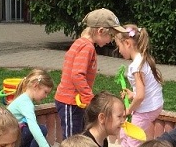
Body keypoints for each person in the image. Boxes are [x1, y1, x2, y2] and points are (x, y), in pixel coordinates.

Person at [54, 8, 126, 139]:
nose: (110, 40)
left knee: (77, 140)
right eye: (111, 35)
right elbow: (77, 75)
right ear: (100, 31)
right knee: (71, 143)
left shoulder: (82, 44)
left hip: (75, 101)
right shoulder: (87, 47)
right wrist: (89, 99)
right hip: (70, 102)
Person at [115, 23, 164, 147]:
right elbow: (143, 89)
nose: (119, 51)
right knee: (125, 133)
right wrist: (132, 94)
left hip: (145, 109)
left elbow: (141, 96)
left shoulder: (136, 66)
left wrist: (129, 109)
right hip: (153, 105)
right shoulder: (142, 58)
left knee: (132, 142)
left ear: (128, 43)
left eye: (119, 46)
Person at [7, 68, 55, 147]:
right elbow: (33, 126)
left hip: (12, 136)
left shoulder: (24, 99)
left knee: (42, 146)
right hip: (10, 137)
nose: (46, 96)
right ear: (35, 86)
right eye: (45, 92)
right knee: (42, 130)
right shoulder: (26, 103)